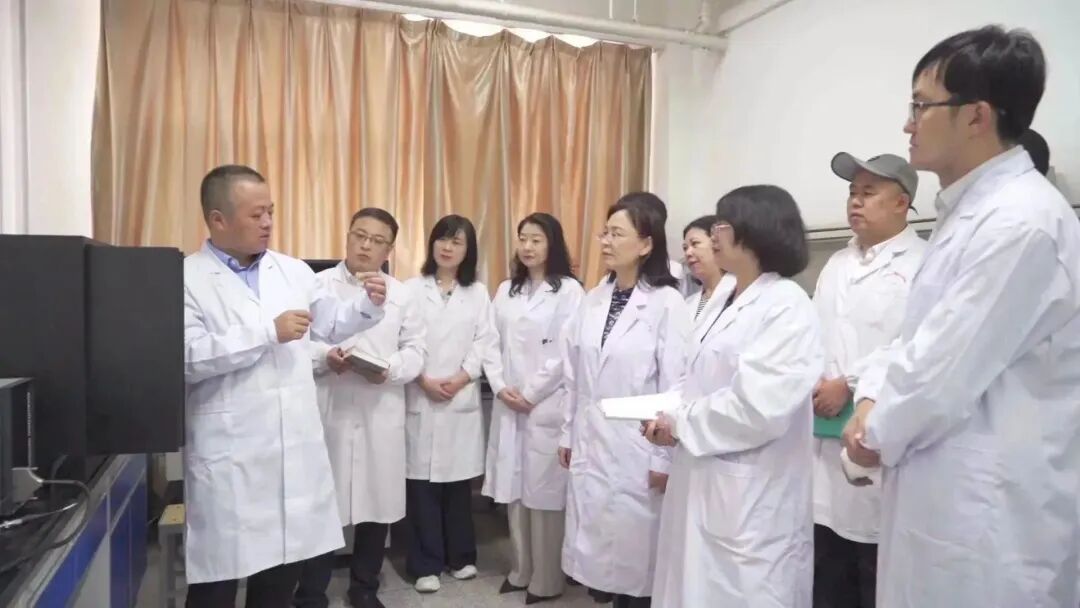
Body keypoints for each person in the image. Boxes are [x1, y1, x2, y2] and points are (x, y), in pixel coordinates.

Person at [842, 26, 1080, 606]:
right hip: (946, 500)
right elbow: (916, 341)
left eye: (921, 106)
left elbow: (938, 374)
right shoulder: (970, 213)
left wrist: (872, 429)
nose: (908, 124)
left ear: (976, 116)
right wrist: (870, 397)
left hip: (990, 521)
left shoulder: (1020, 222)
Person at [183, 165, 387, 608]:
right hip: (231, 456)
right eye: (256, 214)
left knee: (279, 579)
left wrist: (366, 307)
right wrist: (265, 332)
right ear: (218, 220)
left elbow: (330, 323)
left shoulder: (292, 271)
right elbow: (187, 357)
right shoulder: (187, 278)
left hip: (292, 452)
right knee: (217, 584)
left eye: (271, 212)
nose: (267, 223)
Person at [644, 185, 823, 608]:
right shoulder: (723, 297)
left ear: (754, 230)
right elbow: (694, 377)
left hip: (751, 497)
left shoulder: (786, 305)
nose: (714, 234)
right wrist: (663, 412)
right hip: (703, 477)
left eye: (721, 225)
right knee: (690, 585)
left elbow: (758, 409)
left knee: (740, 591)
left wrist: (680, 423)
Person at [558, 192, 689, 608]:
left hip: (639, 446)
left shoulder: (667, 303)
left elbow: (675, 385)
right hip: (592, 441)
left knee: (638, 562)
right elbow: (574, 375)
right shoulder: (594, 298)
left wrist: (662, 459)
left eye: (617, 234)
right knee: (604, 558)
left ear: (646, 244)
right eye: (605, 233)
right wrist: (567, 433)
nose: (606, 242)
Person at [293, 208, 426, 608]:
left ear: (390, 249)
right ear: (348, 236)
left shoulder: (403, 294)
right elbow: (296, 345)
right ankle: (311, 593)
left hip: (379, 408)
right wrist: (324, 357)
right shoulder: (315, 285)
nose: (366, 246)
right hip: (329, 406)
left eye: (377, 240)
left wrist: (390, 370)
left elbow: (416, 350)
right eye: (359, 236)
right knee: (322, 505)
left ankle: (364, 587)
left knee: (376, 505)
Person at [812, 153, 927, 608]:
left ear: (901, 202)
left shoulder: (923, 263)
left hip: (878, 437)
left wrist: (850, 382)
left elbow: (913, 345)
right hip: (823, 438)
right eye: (852, 193)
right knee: (827, 571)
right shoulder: (836, 263)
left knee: (875, 573)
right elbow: (816, 334)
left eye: (868, 193)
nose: (855, 202)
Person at [483, 212, 584, 604]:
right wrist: (500, 386)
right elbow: (489, 341)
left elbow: (566, 352)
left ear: (552, 244)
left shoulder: (569, 292)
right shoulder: (506, 289)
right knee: (514, 492)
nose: (527, 246)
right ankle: (520, 570)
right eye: (523, 238)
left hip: (545, 405)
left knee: (544, 497)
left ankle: (547, 579)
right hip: (510, 402)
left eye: (536, 239)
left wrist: (530, 392)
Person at [402, 214, 496, 594]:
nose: (447, 247)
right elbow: (403, 339)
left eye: (457, 242)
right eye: (442, 239)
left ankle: (460, 557)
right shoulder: (411, 290)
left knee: (457, 487)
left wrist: (460, 378)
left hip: (459, 395)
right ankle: (425, 564)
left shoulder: (478, 293)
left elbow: (484, 342)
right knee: (422, 487)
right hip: (420, 391)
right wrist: (422, 379)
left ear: (467, 250)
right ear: (432, 244)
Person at [680, 215, 734, 327]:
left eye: (695, 243)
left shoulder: (739, 292)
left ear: (717, 244)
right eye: (685, 248)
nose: (688, 253)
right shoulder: (687, 303)